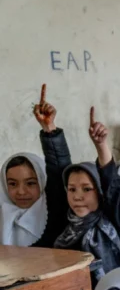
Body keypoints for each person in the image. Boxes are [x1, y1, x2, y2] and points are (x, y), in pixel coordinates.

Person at [1, 84, 70, 247]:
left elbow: (59, 171)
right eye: (12, 184)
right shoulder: (3, 216)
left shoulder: (52, 213)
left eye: (31, 183)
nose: (21, 192)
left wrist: (49, 128)